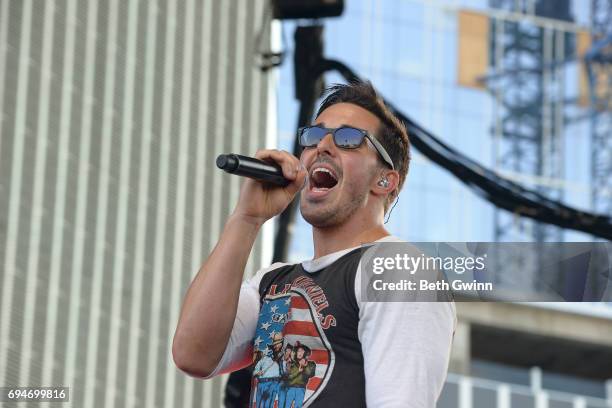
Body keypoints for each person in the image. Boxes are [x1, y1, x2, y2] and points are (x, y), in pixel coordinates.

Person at [172, 81, 456, 407]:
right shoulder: (272, 281)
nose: (322, 146)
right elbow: (193, 354)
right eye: (313, 136)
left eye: (349, 139)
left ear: (384, 180)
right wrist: (246, 219)